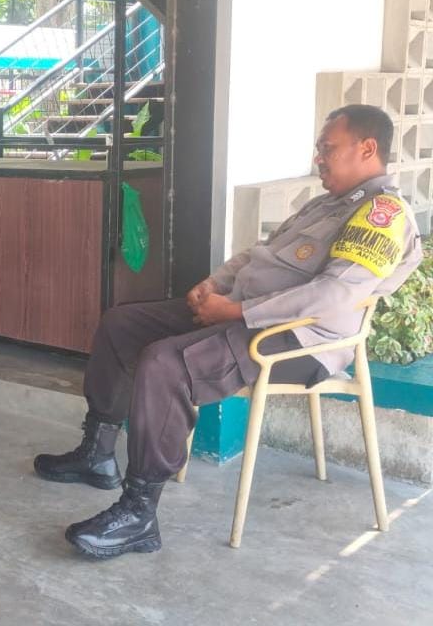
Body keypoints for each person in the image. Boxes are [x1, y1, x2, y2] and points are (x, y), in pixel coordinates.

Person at [34, 104, 423, 559]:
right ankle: (97, 453)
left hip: (299, 339)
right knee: (123, 324)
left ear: (367, 148)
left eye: (328, 148)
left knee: (165, 364)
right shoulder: (326, 203)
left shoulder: (382, 213)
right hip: (241, 312)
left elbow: (331, 296)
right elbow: (259, 254)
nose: (319, 158)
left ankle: (138, 512)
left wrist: (236, 311)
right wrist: (214, 285)